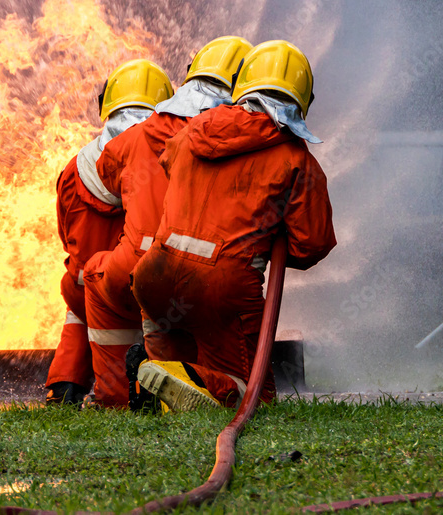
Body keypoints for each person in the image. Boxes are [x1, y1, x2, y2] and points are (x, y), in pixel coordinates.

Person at [132, 40, 336, 412]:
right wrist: (266, 232)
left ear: (242, 84)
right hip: (221, 289)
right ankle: (182, 376)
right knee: (254, 396)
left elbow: (168, 162)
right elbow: (312, 245)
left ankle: (158, 377)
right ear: (303, 99)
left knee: (176, 373)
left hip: (153, 274)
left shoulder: (194, 128)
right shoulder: (297, 160)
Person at [83, 37, 252, 408]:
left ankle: (133, 390)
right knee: (253, 392)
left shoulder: (138, 136)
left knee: (93, 276)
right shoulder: (240, 139)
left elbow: (106, 178)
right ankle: (194, 379)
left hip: (150, 272)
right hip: (212, 275)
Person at [45, 59, 174, 405]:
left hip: (88, 290)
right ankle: (154, 385)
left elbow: (66, 237)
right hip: (146, 293)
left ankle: (65, 383)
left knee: (78, 293)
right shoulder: (167, 158)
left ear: (106, 106)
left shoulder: (74, 169)